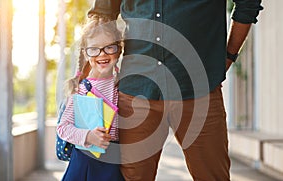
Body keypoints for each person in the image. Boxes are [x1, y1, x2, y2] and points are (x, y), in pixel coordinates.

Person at [87, 0, 263, 181]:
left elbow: (248, 4)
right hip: (136, 91)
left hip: (200, 92)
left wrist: (228, 56)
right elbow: (102, 14)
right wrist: (88, 83)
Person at [56, 16, 124, 181]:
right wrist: (88, 136)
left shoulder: (123, 86)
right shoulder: (80, 89)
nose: (102, 54)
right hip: (84, 163)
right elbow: (63, 128)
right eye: (94, 49)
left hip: (113, 165)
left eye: (109, 47)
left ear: (119, 49)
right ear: (86, 53)